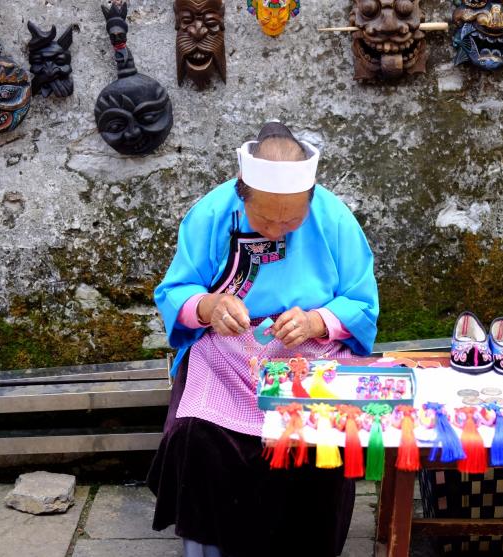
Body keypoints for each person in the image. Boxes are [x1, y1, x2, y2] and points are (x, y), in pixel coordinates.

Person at [147, 122, 379, 557]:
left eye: (291, 219)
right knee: (197, 435)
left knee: (318, 438)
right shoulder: (212, 214)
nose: (276, 229)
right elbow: (174, 291)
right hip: (226, 350)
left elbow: (363, 303)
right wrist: (209, 307)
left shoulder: (334, 218)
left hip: (307, 351)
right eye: (265, 218)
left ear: (311, 199)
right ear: (242, 193)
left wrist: (317, 321)